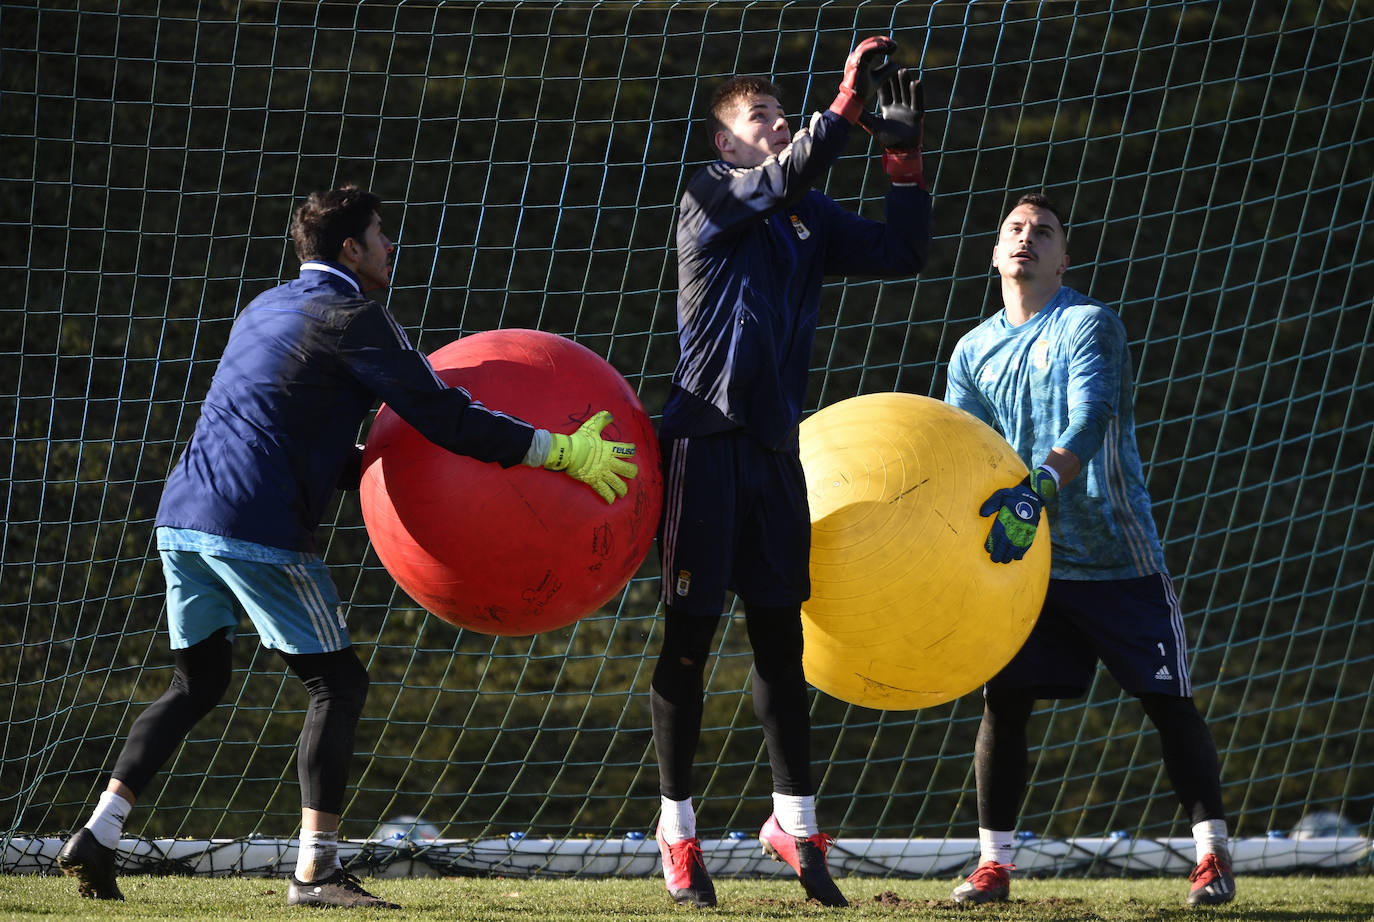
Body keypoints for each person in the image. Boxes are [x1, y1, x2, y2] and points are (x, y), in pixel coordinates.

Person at [55, 186, 637, 908]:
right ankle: (317, 873)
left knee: (196, 683)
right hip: (252, 526)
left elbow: (280, 422)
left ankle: (100, 832)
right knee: (340, 684)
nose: (393, 247)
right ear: (351, 250)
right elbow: (444, 416)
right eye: (382, 235)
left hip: (182, 514)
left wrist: (375, 470)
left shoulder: (264, 307)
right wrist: (556, 451)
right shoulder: (356, 315)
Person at [650, 37, 932, 908]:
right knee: (689, 644)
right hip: (704, 444)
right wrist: (842, 105)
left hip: (776, 453)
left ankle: (798, 830)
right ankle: (678, 834)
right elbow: (785, 175)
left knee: (780, 643)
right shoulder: (707, 197)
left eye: (782, 115)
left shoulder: (803, 217)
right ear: (727, 146)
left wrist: (902, 155)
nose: (776, 128)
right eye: (759, 120)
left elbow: (900, 253)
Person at [943, 193, 1234, 907]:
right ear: (994, 251)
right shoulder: (972, 350)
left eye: (1043, 232)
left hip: (1116, 557)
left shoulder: (1086, 323)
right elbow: (958, 448)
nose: (1026, 239)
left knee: (1169, 705)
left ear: (1063, 257)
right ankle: (994, 867)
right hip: (1026, 563)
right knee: (1003, 706)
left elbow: (1092, 413)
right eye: (1014, 229)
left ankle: (1213, 857)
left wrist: (1037, 487)